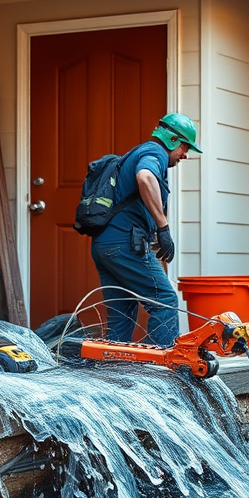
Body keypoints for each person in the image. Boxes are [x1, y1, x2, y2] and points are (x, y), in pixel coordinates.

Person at [90, 113, 201, 346]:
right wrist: (163, 227)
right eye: (185, 146)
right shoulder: (155, 153)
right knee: (165, 301)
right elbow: (145, 177)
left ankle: (112, 366)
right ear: (172, 139)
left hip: (105, 246)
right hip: (123, 245)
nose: (185, 154)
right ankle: (163, 366)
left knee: (121, 315)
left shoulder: (139, 152)